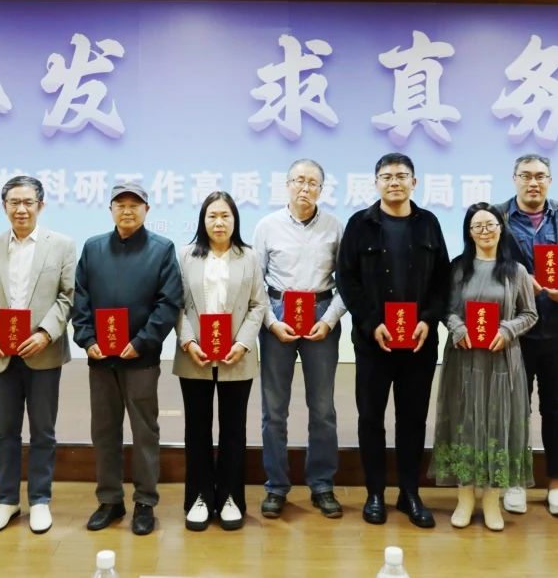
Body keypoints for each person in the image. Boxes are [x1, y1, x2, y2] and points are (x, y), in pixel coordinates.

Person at [336, 152, 450, 529]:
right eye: (386, 176)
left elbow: (442, 280)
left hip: (418, 343)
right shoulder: (360, 224)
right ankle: (374, 493)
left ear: (414, 182)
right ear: (376, 183)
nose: (394, 182)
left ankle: (409, 493)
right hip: (374, 343)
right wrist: (371, 323)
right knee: (371, 418)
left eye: (402, 176)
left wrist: (428, 320)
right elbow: (347, 279)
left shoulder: (428, 223)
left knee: (412, 418)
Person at [70, 181, 182, 536]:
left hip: (140, 359)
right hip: (101, 358)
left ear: (147, 209)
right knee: (104, 430)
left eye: (135, 204)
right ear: (111, 209)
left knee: (145, 431)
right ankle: (110, 500)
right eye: (121, 204)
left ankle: (145, 501)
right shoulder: (93, 248)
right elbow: (80, 298)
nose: (128, 210)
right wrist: (87, 339)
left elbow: (169, 302)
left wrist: (142, 342)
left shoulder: (162, 249)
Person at [0, 175, 76, 535]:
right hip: (1, 351)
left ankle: (40, 500)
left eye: (28, 202)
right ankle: (6, 500)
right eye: (14, 202)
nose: (21, 209)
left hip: (43, 352)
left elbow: (67, 296)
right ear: (4, 206)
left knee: (43, 430)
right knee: (5, 430)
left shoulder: (62, 245)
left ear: (40, 205)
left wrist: (45, 333)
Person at [432, 203, 537, 532]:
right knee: (464, 421)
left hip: (501, 361)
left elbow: (529, 314)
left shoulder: (516, 271)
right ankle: (464, 497)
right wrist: (457, 327)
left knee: (497, 424)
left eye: (490, 225)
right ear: (469, 232)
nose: (485, 231)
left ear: (501, 229)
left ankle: (492, 500)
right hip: (463, 358)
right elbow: (446, 308)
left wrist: (507, 330)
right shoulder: (458, 268)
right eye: (477, 226)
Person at [499, 154, 558, 518]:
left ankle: (557, 485)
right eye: (526, 175)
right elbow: (482, 263)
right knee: (514, 408)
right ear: (514, 178)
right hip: (514, 331)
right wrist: (515, 279)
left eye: (540, 176)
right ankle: (515, 481)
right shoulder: (498, 217)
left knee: (557, 407)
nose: (533, 182)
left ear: (550, 180)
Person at [252, 158, 346, 520]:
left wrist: (330, 319)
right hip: (278, 314)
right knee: (274, 410)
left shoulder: (335, 226)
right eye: (299, 181)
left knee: (322, 409)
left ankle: (322, 484)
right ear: (287, 185)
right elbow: (255, 282)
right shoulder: (267, 226)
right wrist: (271, 322)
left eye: (312, 183)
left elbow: (347, 281)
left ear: (321, 189)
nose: (305, 188)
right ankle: (276, 486)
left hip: (321, 314)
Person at [175, 191, 267, 532]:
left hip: (236, 357)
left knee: (233, 430)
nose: (218, 222)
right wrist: (188, 341)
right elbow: (176, 304)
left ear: (235, 220)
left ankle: (230, 498)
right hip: (195, 356)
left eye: (225, 216)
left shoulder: (249, 257)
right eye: (212, 216)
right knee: (196, 429)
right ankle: (199, 497)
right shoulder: (185, 255)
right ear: (203, 220)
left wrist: (243, 343)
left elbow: (258, 304)